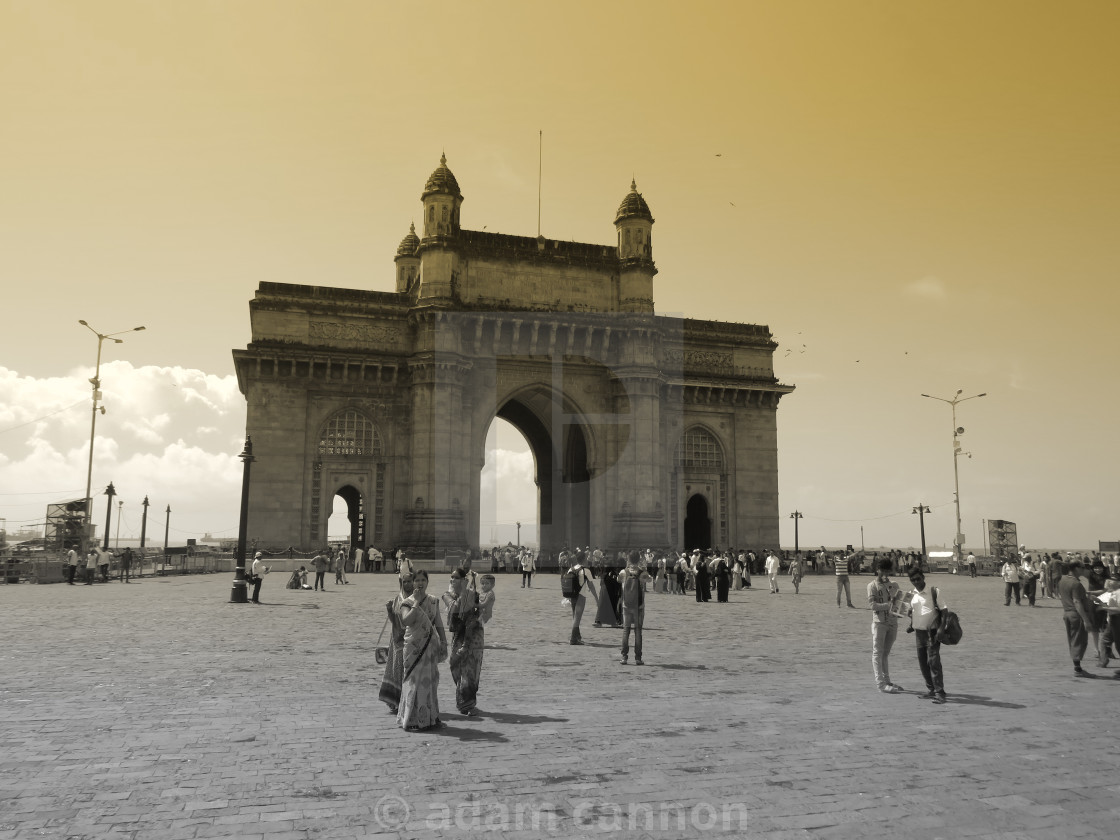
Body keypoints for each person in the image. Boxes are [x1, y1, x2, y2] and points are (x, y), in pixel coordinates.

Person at [396, 569, 447, 731]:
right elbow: (406, 621)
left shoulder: (433, 600)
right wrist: (416, 603)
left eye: (422, 580)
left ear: (427, 582)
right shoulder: (408, 602)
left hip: (430, 647)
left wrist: (444, 641)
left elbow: (438, 622)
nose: (419, 583)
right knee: (413, 682)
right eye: (416, 580)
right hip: (413, 648)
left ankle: (429, 717)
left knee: (429, 682)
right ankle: (411, 719)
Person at [445, 568, 487, 714]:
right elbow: (455, 608)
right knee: (455, 666)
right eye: (452, 577)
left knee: (470, 670)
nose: (453, 580)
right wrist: (463, 593)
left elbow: (481, 611)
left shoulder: (473, 594)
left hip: (473, 637)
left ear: (464, 580)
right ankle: (463, 696)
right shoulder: (447, 595)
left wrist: (478, 613)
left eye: (456, 577)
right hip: (458, 635)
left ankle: (467, 703)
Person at [906, 568, 947, 703]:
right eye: (913, 580)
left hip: (932, 633)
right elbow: (913, 611)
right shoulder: (912, 594)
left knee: (934, 662)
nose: (916, 582)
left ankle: (940, 692)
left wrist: (941, 629)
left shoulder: (934, 591)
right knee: (923, 663)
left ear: (923, 577)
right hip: (919, 633)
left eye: (918, 579)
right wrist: (910, 619)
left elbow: (944, 610)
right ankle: (930, 689)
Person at [378, 566, 416, 713]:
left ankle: (408, 700)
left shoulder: (416, 600)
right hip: (397, 640)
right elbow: (394, 620)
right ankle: (396, 700)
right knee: (397, 670)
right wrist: (389, 610)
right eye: (404, 582)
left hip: (411, 639)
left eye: (409, 581)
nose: (407, 584)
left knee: (408, 671)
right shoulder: (397, 599)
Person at [868, 558, 903, 693]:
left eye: (887, 571)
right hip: (879, 623)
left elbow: (900, 605)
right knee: (877, 652)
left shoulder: (894, 585)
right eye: (882, 571)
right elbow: (873, 605)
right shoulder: (872, 586)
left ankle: (887, 680)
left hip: (893, 623)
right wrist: (889, 605)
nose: (885, 574)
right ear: (877, 570)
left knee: (885, 653)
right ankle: (881, 684)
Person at [1058, 559, 1097, 678]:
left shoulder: (1063, 579)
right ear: (1076, 568)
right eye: (1082, 567)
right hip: (1076, 614)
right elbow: (1076, 601)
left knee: (1073, 640)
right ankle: (1078, 669)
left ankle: (1077, 667)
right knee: (1079, 641)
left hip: (1067, 613)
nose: (1084, 569)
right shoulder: (1076, 583)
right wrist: (1086, 620)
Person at [618, 550, 651, 665]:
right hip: (639, 606)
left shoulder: (624, 572)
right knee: (638, 631)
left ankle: (624, 657)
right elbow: (650, 579)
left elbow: (618, 580)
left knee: (626, 630)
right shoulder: (642, 573)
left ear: (628, 559)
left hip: (626, 605)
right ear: (639, 559)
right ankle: (638, 657)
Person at [566, 556, 597, 645]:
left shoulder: (571, 569)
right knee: (577, 618)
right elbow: (591, 586)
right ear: (584, 559)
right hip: (581, 595)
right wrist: (596, 598)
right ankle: (573, 639)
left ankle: (577, 637)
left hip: (572, 596)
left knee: (575, 617)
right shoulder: (586, 570)